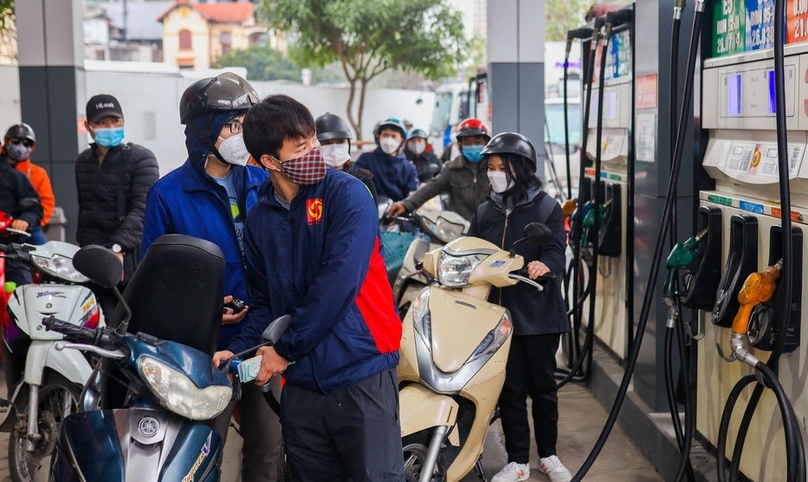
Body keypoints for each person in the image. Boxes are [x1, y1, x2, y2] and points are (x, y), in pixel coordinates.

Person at [213, 94, 405, 482]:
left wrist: (284, 350)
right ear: (269, 161)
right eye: (301, 147)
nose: (315, 151)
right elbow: (266, 302)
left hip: (359, 369)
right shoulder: (260, 220)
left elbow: (338, 282)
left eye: (313, 140)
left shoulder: (347, 195)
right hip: (301, 382)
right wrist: (240, 350)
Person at [141, 72, 280, 482]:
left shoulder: (265, 182)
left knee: (268, 449)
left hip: (262, 341)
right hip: (202, 349)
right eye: (234, 126)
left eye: (247, 126)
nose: (244, 136)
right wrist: (202, 310)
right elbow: (154, 280)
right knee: (200, 454)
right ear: (203, 130)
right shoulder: (167, 195)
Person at [468, 132, 571, 482]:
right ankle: (517, 461)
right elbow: (472, 249)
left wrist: (547, 266)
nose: (495, 174)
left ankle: (549, 455)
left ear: (522, 170)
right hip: (500, 315)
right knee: (510, 390)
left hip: (540, 313)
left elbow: (556, 249)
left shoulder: (546, 207)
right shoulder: (485, 210)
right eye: (491, 168)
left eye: (502, 168)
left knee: (543, 389)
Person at [75, 94, 159, 317]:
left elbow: (143, 210)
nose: (110, 127)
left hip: (127, 261)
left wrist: (117, 248)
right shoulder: (83, 161)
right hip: (89, 262)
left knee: (123, 324)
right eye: (102, 122)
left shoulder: (141, 158)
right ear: (89, 126)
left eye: (115, 121)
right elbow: (84, 209)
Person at [387, 117, 491, 221]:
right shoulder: (452, 169)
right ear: (460, 144)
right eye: (467, 143)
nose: (472, 146)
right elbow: (431, 188)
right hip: (461, 230)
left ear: (487, 143)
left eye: (478, 142)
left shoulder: (494, 169)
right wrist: (406, 204)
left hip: (489, 227)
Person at [3, 123, 54, 245]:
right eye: (15, 141)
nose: (20, 147)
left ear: (32, 147)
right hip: (2, 223)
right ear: (6, 141)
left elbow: (46, 205)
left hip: (25, 227)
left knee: (45, 257)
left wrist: (28, 221)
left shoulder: (38, 173)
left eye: (26, 143)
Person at [315, 112, 378, 203]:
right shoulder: (309, 183)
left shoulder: (362, 180)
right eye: (327, 143)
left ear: (348, 144)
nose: (334, 148)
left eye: (340, 142)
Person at [355, 117, 418, 202]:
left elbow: (412, 194)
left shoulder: (408, 168)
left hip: (396, 212)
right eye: (385, 135)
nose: (389, 140)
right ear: (379, 137)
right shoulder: (366, 159)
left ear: (402, 140)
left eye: (393, 136)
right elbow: (355, 183)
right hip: (368, 206)